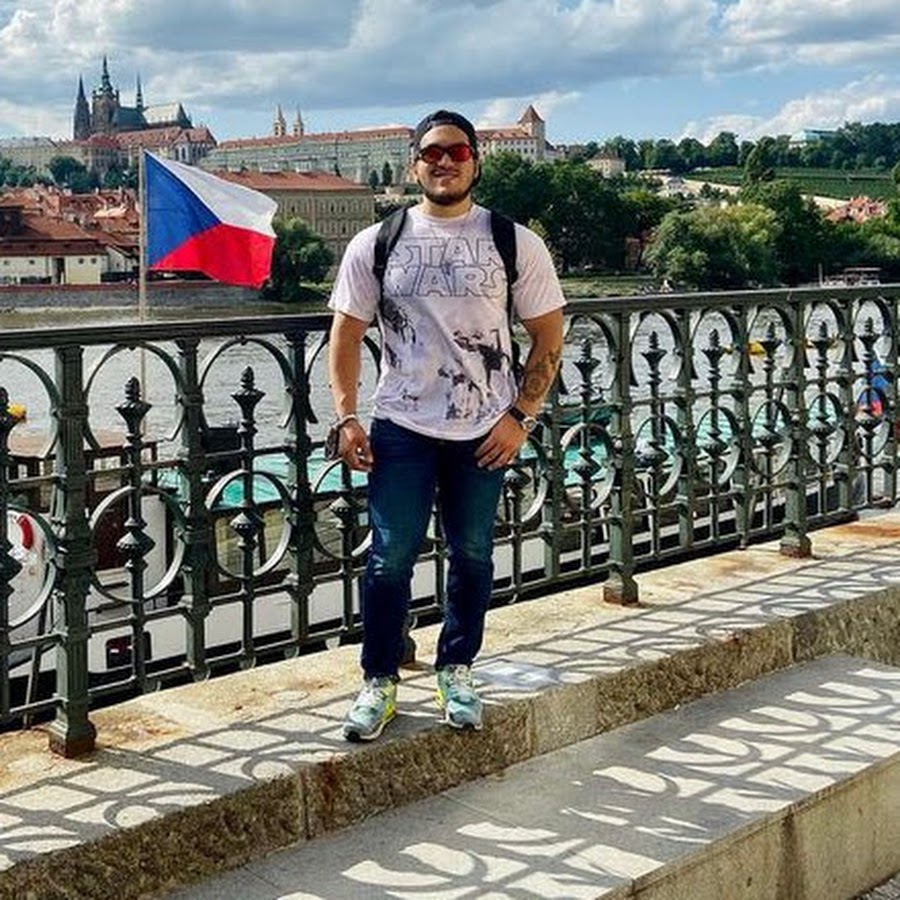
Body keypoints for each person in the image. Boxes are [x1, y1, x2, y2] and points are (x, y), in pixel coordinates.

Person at [328, 109, 565, 741]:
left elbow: (548, 336)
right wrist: (347, 415)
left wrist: (521, 417)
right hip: (401, 426)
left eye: (457, 152)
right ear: (414, 164)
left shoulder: (514, 241)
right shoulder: (376, 242)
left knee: (473, 554)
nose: (444, 162)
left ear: (476, 162)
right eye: (432, 152)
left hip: (486, 429)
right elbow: (345, 336)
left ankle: (456, 668)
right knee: (388, 559)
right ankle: (379, 680)